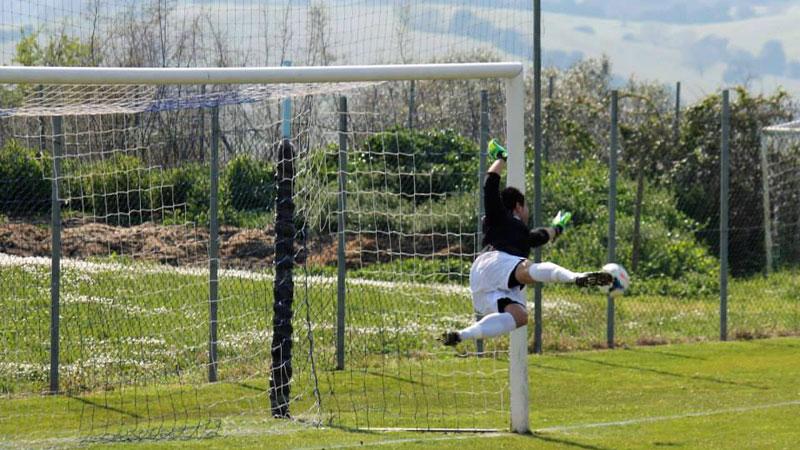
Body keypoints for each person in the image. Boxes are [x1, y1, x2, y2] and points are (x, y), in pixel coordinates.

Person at [440, 140, 612, 347]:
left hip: (486, 286)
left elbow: (541, 236)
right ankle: (576, 277)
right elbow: (489, 184)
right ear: (518, 207)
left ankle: (461, 335)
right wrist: (502, 159)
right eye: (527, 206)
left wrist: (557, 228)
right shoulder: (500, 217)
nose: (528, 212)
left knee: (519, 317)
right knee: (526, 268)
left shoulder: (521, 234)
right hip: (493, 263)